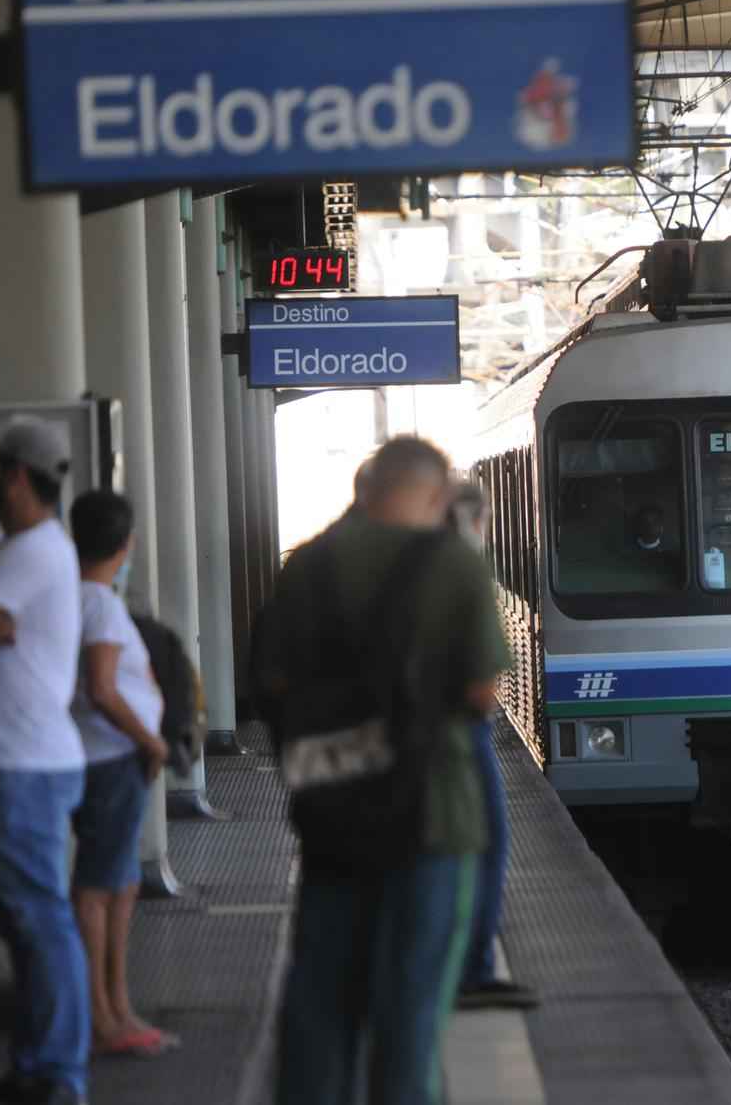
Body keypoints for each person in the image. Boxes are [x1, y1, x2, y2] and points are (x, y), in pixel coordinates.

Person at [261, 437, 510, 1105]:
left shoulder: (306, 565)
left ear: (366, 490)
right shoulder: (453, 564)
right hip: (432, 813)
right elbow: (483, 689)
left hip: (332, 809)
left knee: (320, 997)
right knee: (411, 1007)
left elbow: (273, 683)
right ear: (434, 497)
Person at [0, 417, 89, 1105]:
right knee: (28, 922)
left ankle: (57, 1073)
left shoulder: (31, 550)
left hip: (24, 765)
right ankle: (40, 1064)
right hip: (18, 762)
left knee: (38, 920)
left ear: (14, 477)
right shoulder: (29, 549)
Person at [67, 490, 177, 1059]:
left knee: (117, 882)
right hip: (109, 759)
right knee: (101, 887)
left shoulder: (77, 598)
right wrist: (151, 739)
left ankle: (114, 1008)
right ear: (125, 543)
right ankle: (105, 1015)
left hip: (101, 758)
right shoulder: (101, 606)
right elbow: (103, 688)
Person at [448, 482, 537, 1012]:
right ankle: (473, 969)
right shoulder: (463, 577)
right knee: (483, 844)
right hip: (457, 732)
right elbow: (486, 685)